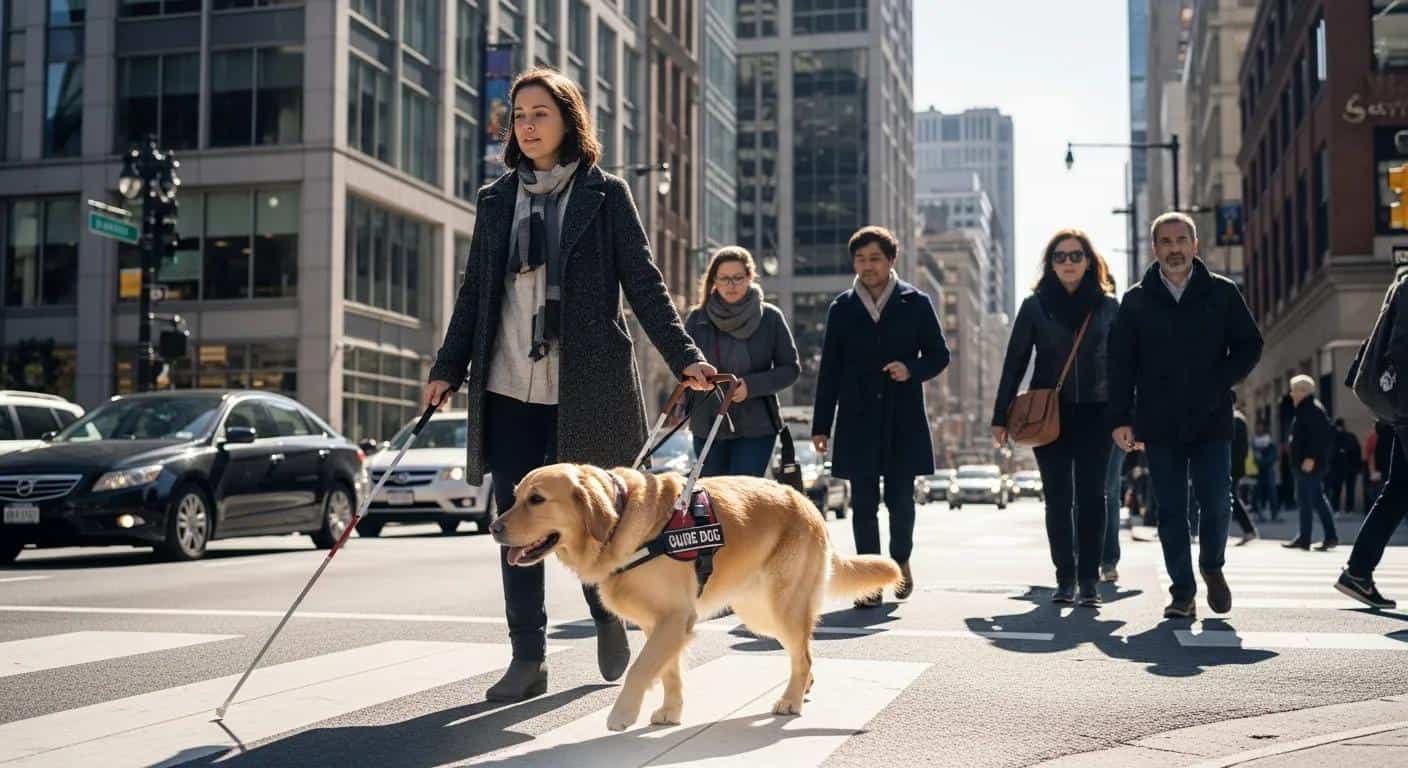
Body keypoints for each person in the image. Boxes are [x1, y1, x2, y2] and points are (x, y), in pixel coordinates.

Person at [424, 69, 716, 702]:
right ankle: (527, 658)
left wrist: (685, 355)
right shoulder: (496, 199)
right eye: (519, 115)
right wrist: (446, 369)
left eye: (540, 114)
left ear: (568, 121)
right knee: (516, 526)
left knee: (592, 522)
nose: (526, 126)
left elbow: (644, 283)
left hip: (586, 388)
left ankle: (608, 615)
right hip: (507, 384)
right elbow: (476, 291)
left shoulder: (605, 195)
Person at [1107, 211, 1264, 620]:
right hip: (1158, 421)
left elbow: (1250, 345)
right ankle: (1182, 592)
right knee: (1171, 510)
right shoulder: (1136, 301)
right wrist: (1121, 419)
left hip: (1212, 418)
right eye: (1166, 241)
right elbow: (1120, 364)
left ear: (1195, 246)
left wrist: (1220, 381)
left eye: (1182, 240)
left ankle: (1212, 566)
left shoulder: (1223, 293)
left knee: (1216, 503)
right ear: (1155, 248)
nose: (1174, 249)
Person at [812, 225, 950, 608]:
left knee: (901, 499)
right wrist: (821, 425)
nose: (867, 266)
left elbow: (940, 355)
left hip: (902, 415)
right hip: (856, 416)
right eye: (860, 259)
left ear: (891, 260)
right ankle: (870, 578)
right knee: (864, 501)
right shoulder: (842, 307)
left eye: (875, 258)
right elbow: (830, 370)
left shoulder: (916, 302)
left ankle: (900, 560)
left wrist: (911, 369)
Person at [992, 229, 1118, 606]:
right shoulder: (1035, 306)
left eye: (1075, 256)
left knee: (1094, 497)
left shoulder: (1109, 307)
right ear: (1050, 263)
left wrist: (1129, 416)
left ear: (1089, 261)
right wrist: (1000, 416)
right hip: (1050, 416)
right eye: (1060, 257)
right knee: (1058, 498)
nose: (1067, 263)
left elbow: (1126, 364)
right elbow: (1014, 362)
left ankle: (1089, 582)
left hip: (1098, 413)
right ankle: (1065, 579)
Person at [684, 247, 800, 477]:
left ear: (750, 277)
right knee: (713, 498)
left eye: (738, 278)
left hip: (756, 426)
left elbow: (791, 369)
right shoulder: (697, 319)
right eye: (724, 278)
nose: (731, 285)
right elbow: (682, 364)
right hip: (707, 424)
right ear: (713, 281)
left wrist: (751, 386)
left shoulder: (770, 317)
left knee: (744, 497)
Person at [1337, 267, 1408, 609]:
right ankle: (1358, 572)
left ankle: (1358, 572)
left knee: (1398, 491)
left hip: (1403, 411)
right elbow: (1400, 348)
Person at [1284, 375, 1338, 551]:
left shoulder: (1312, 409)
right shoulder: (1305, 408)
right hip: (1305, 463)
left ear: (1303, 391)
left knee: (1309, 500)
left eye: (1294, 390)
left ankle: (1309, 538)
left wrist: (1311, 458)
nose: (1291, 394)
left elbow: (1320, 437)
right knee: (1312, 500)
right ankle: (1315, 537)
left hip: (1310, 464)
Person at [1230, 406, 1260, 545]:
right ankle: (1249, 530)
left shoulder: (1236, 419)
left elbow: (1238, 448)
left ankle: (1249, 530)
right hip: (1235, 466)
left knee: (1232, 498)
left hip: (1232, 467)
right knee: (1232, 497)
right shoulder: (1238, 418)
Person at [1329, 419, 1363, 515]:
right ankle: (1349, 509)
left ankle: (1336, 509)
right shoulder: (1351, 436)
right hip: (1350, 469)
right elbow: (1358, 452)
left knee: (1337, 489)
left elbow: (1331, 453)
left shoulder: (1333, 437)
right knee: (1349, 489)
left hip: (1338, 469)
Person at [1252, 423, 1278, 520]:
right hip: (1259, 471)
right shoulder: (1255, 440)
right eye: (1258, 427)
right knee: (1258, 493)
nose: (1259, 428)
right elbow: (1255, 456)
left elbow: (1273, 455)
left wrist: (1263, 462)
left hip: (1268, 469)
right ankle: (1259, 512)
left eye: (1261, 426)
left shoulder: (1269, 440)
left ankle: (1274, 513)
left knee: (1271, 492)